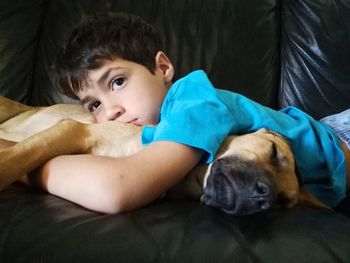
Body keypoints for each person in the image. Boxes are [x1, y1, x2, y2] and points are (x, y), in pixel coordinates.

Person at [5, 12, 350, 213]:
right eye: (94, 105)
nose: (110, 111)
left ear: (164, 67)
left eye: (118, 82)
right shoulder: (159, 130)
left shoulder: (193, 102)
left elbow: (124, 186)